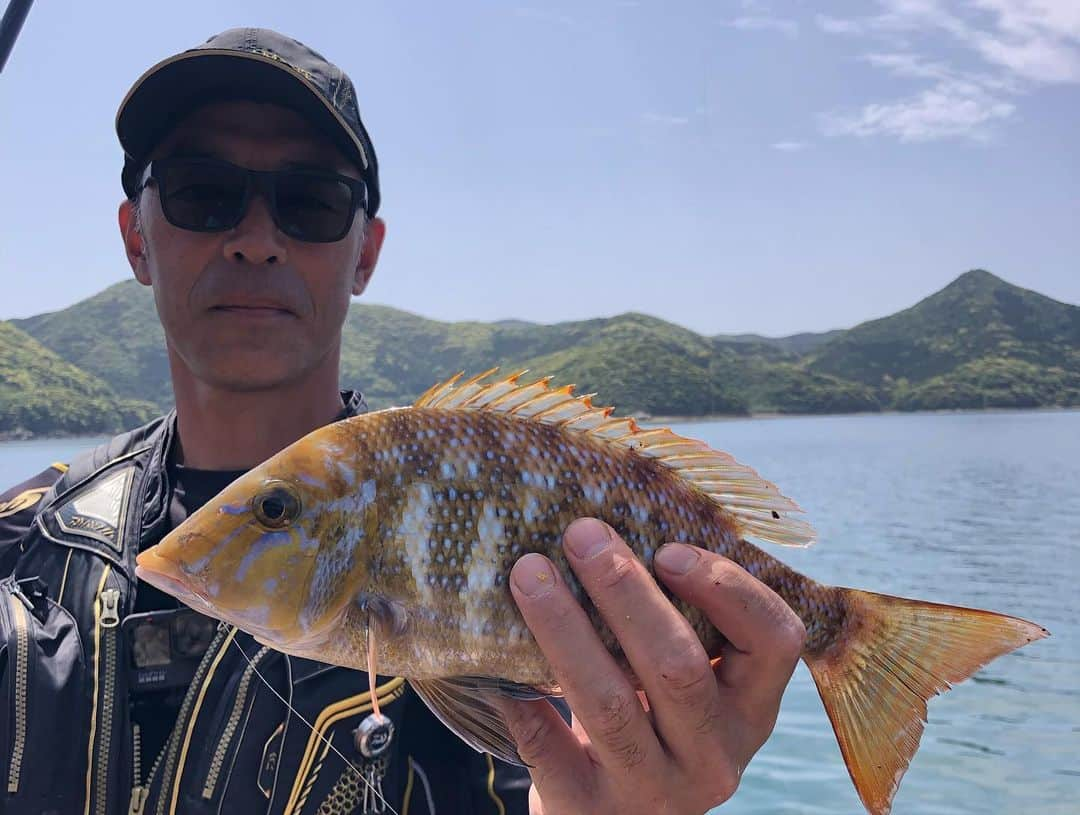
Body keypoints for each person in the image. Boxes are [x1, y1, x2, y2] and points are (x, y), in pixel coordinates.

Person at [0, 28, 806, 815]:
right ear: (135, 238)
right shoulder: (20, 556)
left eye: (310, 201)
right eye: (201, 192)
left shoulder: (491, 705)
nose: (255, 240)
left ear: (366, 252)